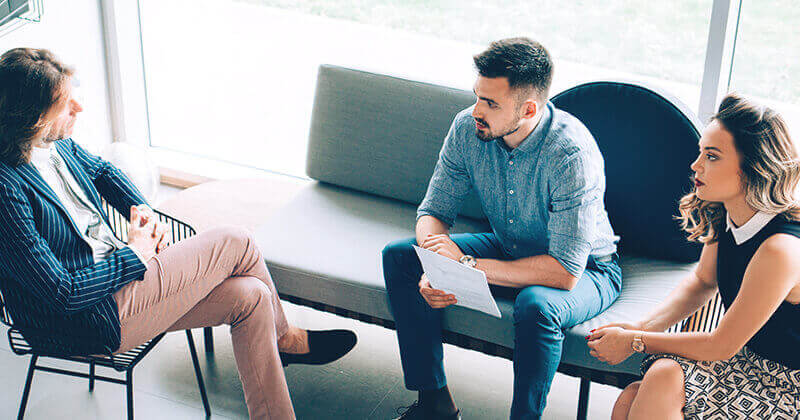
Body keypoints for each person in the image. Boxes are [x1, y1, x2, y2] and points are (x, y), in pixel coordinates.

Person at [0, 48, 357, 420]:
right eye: (64, 103)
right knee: (237, 240)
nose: (79, 108)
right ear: (33, 117)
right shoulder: (5, 190)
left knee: (252, 297)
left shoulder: (54, 144)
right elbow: (64, 293)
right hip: (89, 319)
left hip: (118, 286)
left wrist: (145, 213)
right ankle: (286, 340)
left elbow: (104, 172)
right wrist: (135, 253)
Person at [382, 37, 621, 420]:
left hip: (589, 268)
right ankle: (435, 405)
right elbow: (434, 211)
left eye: (491, 103)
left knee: (537, 306)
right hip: (510, 246)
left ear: (528, 109)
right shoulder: (467, 127)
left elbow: (564, 272)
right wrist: (433, 263)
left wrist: (466, 267)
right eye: (478, 96)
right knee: (400, 257)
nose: (476, 110)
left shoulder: (571, 155)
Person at [587, 93, 800, 420]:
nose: (695, 165)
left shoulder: (780, 248)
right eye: (701, 152)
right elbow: (702, 282)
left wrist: (636, 341)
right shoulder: (726, 212)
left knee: (661, 378)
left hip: (786, 382)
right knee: (630, 399)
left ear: (753, 167)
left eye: (712, 156)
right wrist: (640, 326)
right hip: (748, 360)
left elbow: (720, 345)